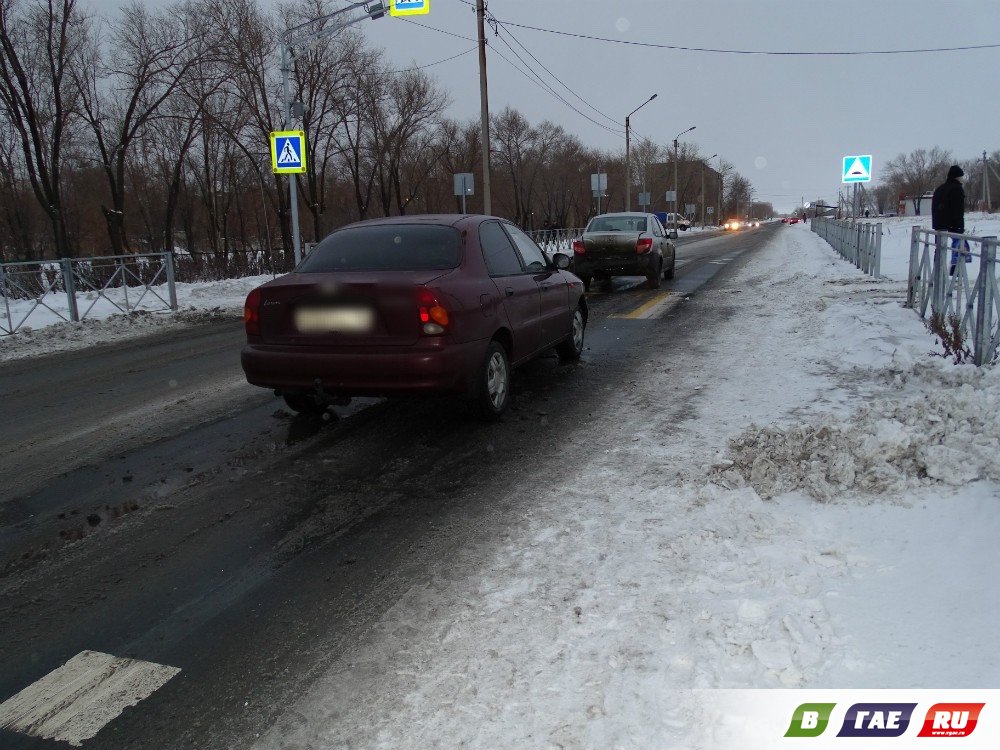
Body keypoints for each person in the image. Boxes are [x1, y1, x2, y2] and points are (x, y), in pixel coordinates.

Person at [931, 165, 968, 274]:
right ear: (957, 177)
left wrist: (937, 223)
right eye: (961, 176)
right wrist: (960, 226)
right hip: (953, 224)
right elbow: (957, 209)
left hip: (939, 224)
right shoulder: (956, 189)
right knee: (958, 247)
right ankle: (955, 269)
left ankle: (937, 270)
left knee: (939, 248)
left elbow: (935, 207)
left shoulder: (940, 188)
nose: (962, 178)